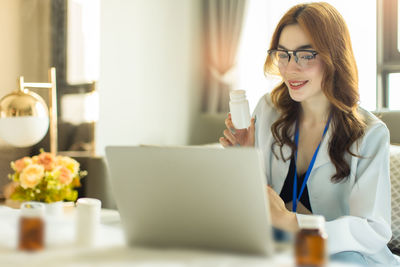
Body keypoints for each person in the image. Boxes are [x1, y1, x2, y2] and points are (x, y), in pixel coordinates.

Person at [219, 2, 400, 266]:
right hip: (281, 250)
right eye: (283, 54)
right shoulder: (269, 109)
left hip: (346, 258)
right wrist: (246, 156)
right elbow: (258, 205)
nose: (291, 68)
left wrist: (292, 221)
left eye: (306, 55)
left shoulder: (370, 134)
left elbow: (372, 230)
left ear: (333, 57)